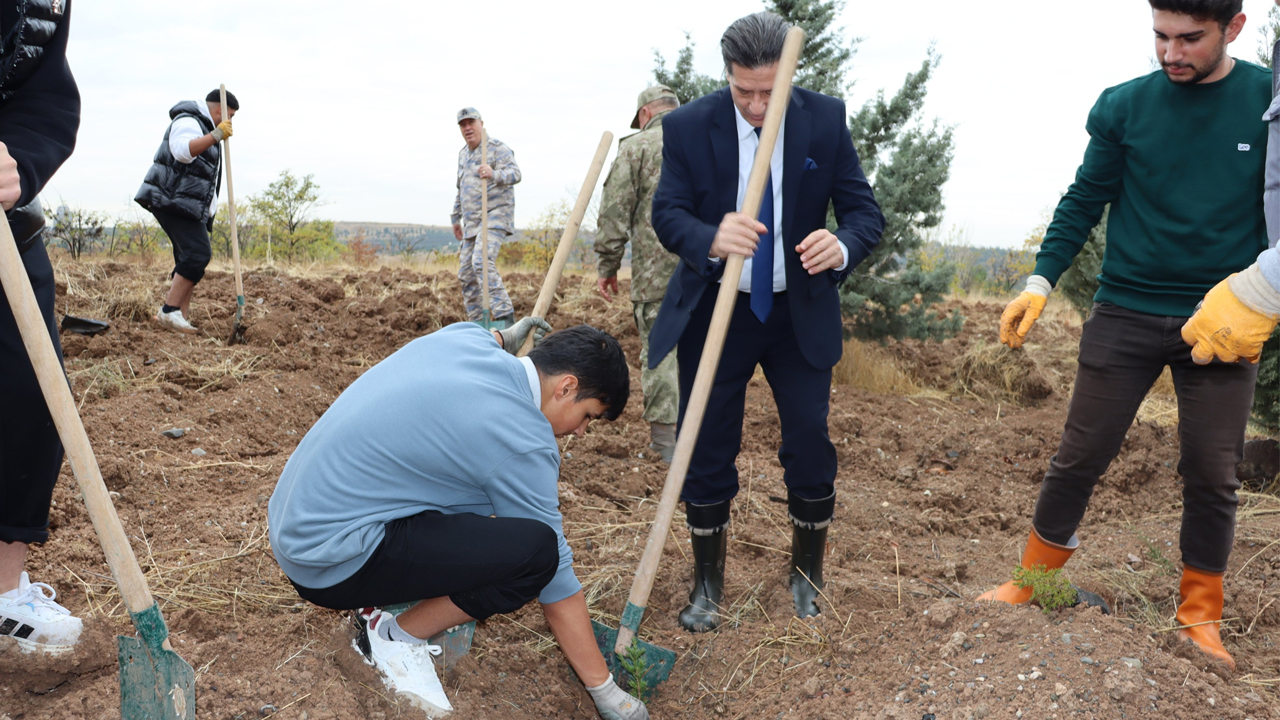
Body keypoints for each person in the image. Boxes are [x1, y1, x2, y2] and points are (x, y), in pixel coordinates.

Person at [986, 0, 1270, 670]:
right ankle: (1033, 583)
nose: (1172, 53)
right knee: (1080, 453)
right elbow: (1085, 197)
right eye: (1161, 36)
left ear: (1233, 28)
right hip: (1126, 310)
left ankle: (1200, 617)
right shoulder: (1124, 107)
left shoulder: (1267, 101)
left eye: (1190, 39)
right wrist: (1039, 281)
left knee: (1212, 470)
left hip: (1222, 318)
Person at [268, 319, 647, 719]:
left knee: (471, 492)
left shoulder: (465, 338)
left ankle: (388, 604)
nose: (583, 431)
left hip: (294, 521)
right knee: (537, 553)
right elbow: (556, 579)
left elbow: (494, 336)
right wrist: (605, 692)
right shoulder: (523, 438)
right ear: (566, 387)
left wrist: (507, 334)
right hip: (331, 563)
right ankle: (394, 638)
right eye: (589, 415)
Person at [649, 11, 884, 631]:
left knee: (809, 441)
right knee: (707, 445)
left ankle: (807, 575)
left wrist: (843, 246)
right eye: (742, 90)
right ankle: (707, 584)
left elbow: (863, 211)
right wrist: (709, 234)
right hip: (715, 312)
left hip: (795, 313)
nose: (756, 106)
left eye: (767, 91)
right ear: (726, 76)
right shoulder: (688, 125)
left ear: (790, 74)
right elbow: (667, 213)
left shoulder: (824, 119)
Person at [0, 0, 83, 654]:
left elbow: (46, 96)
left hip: (6, 230)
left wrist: (18, 161)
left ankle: (5, 594)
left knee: (31, 399)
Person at [595, 84, 682, 463]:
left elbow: (614, 213)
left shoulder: (637, 147)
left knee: (663, 354)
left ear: (645, 114)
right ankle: (705, 440)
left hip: (657, 277)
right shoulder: (707, 141)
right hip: (714, 273)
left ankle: (665, 448)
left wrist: (608, 266)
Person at [134, 88, 238, 334]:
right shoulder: (189, 120)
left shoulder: (202, 125)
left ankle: (179, 316)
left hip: (187, 205)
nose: (230, 122)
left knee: (188, 257)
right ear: (218, 110)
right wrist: (215, 135)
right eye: (230, 116)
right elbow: (182, 152)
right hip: (172, 200)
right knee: (197, 253)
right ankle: (170, 311)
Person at [451, 108, 519, 329]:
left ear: (481, 123)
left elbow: (516, 174)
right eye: (463, 125)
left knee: (481, 260)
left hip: (495, 215)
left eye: (471, 123)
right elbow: (461, 189)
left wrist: (494, 173)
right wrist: (455, 216)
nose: (467, 128)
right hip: (472, 222)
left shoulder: (497, 149)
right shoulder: (463, 154)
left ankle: (505, 320)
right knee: (465, 273)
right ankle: (478, 324)